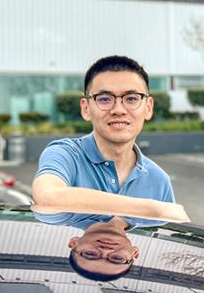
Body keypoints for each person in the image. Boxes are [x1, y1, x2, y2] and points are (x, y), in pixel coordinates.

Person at [32, 55, 188, 225]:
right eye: (105, 99)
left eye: (131, 99)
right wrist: (154, 209)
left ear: (148, 108)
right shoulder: (65, 155)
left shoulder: (158, 180)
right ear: (86, 109)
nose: (119, 110)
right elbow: (47, 197)